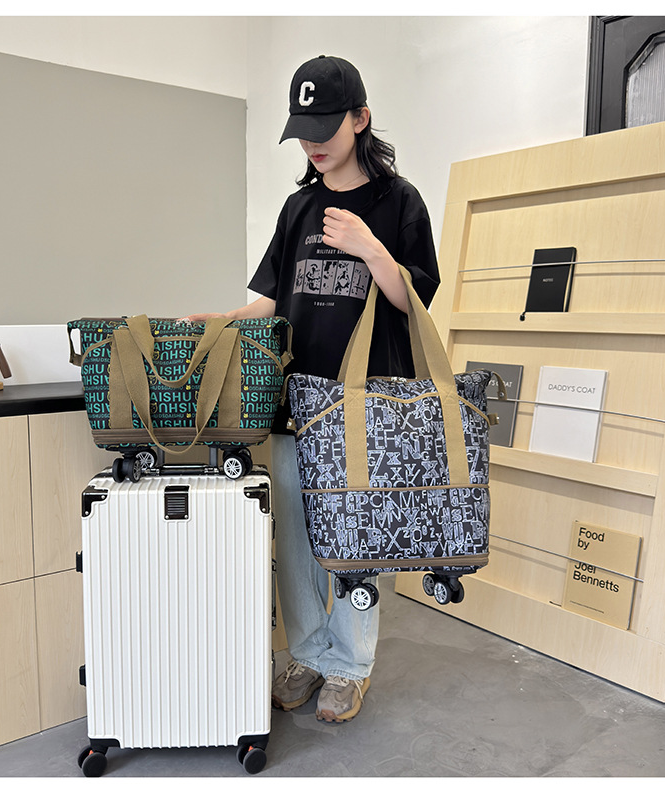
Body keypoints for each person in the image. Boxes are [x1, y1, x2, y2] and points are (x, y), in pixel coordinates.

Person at [185, 55, 440, 723]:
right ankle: (304, 653)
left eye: (325, 127)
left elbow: (414, 302)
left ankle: (350, 665)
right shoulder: (299, 207)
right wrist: (223, 320)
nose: (313, 143)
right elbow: (274, 300)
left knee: (355, 534)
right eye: (303, 130)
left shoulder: (399, 202)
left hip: (365, 403)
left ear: (361, 118)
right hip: (294, 401)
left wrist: (370, 248)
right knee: (295, 536)